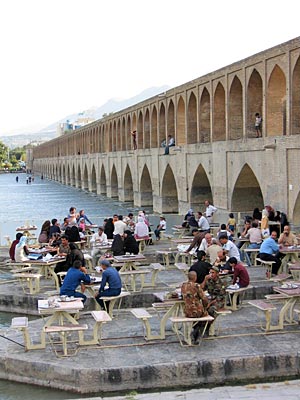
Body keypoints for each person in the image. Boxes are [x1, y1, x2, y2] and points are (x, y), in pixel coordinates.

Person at [181, 271, 208, 344]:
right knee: (207, 315)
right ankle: (197, 333)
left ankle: (195, 330)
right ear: (195, 277)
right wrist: (205, 306)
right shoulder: (196, 286)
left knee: (198, 316)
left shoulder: (183, 286)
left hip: (187, 311)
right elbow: (204, 299)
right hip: (197, 311)